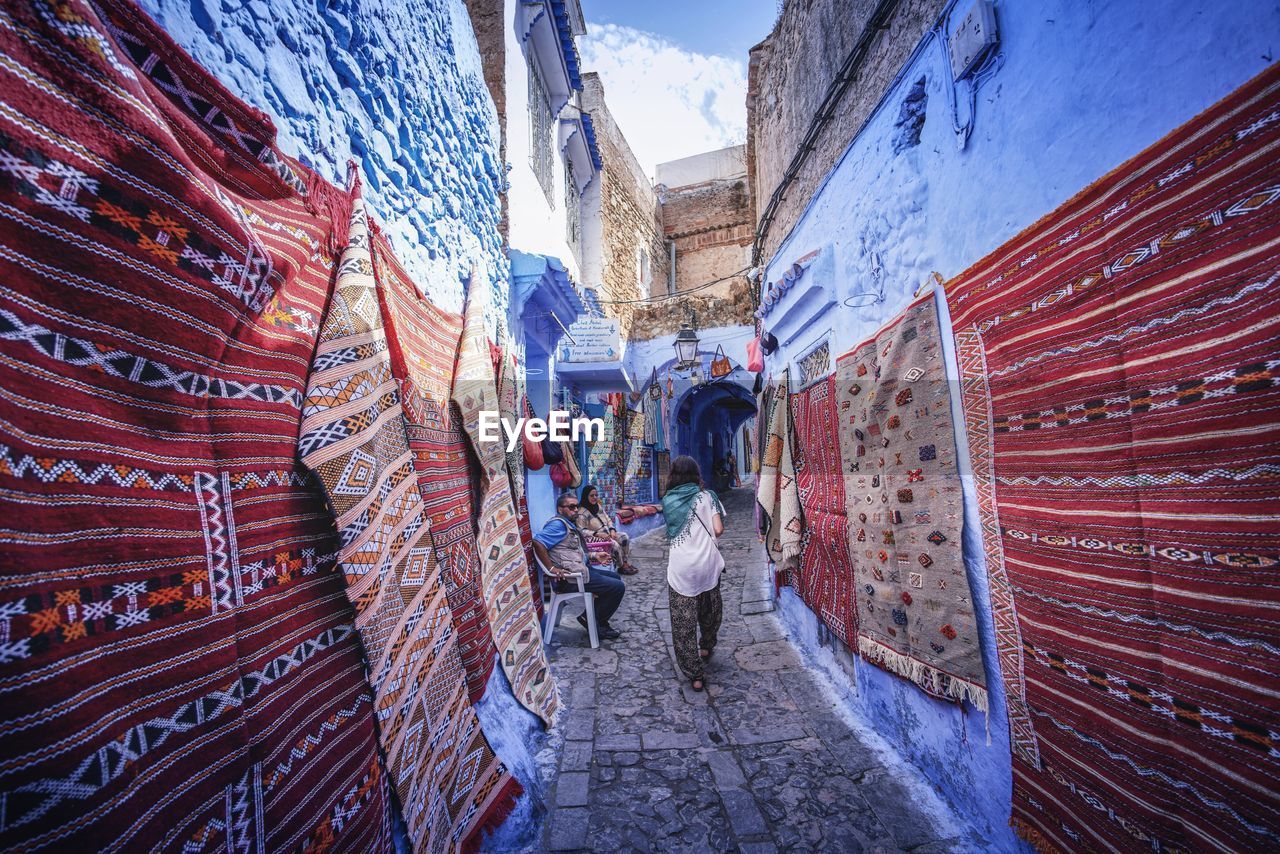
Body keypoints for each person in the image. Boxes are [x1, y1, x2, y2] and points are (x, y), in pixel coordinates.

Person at [661, 455, 725, 691]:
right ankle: (706, 645)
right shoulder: (708, 497)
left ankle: (695, 675)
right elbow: (718, 530)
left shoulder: (667, 501)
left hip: (681, 569)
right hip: (707, 564)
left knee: (682, 623)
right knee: (711, 610)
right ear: (696, 474)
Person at [532, 492, 625, 640]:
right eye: (571, 507)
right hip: (570, 579)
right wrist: (551, 569)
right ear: (560, 509)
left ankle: (590, 617)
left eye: (577, 506)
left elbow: (571, 553)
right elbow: (537, 542)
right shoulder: (558, 525)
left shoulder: (567, 525)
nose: (575, 510)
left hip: (579, 571)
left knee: (615, 577)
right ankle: (597, 623)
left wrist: (594, 556)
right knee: (618, 587)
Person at [576, 483, 637, 575]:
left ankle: (625, 562)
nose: (595, 497)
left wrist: (612, 529)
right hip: (594, 538)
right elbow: (581, 530)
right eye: (591, 495)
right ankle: (621, 566)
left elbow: (608, 519)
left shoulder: (598, 507)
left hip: (607, 534)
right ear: (585, 496)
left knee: (624, 537)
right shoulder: (581, 512)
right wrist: (597, 534)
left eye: (596, 495)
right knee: (614, 545)